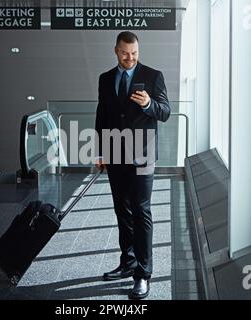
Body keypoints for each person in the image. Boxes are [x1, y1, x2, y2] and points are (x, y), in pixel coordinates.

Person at [95, 31, 170, 300]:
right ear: (116, 50)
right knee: (121, 210)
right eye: (126, 53)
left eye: (135, 53)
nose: (130, 58)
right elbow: (101, 114)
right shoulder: (105, 79)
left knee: (141, 211)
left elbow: (165, 111)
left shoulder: (153, 75)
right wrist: (100, 150)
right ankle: (127, 262)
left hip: (143, 155)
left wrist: (150, 103)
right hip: (115, 154)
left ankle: (143, 274)